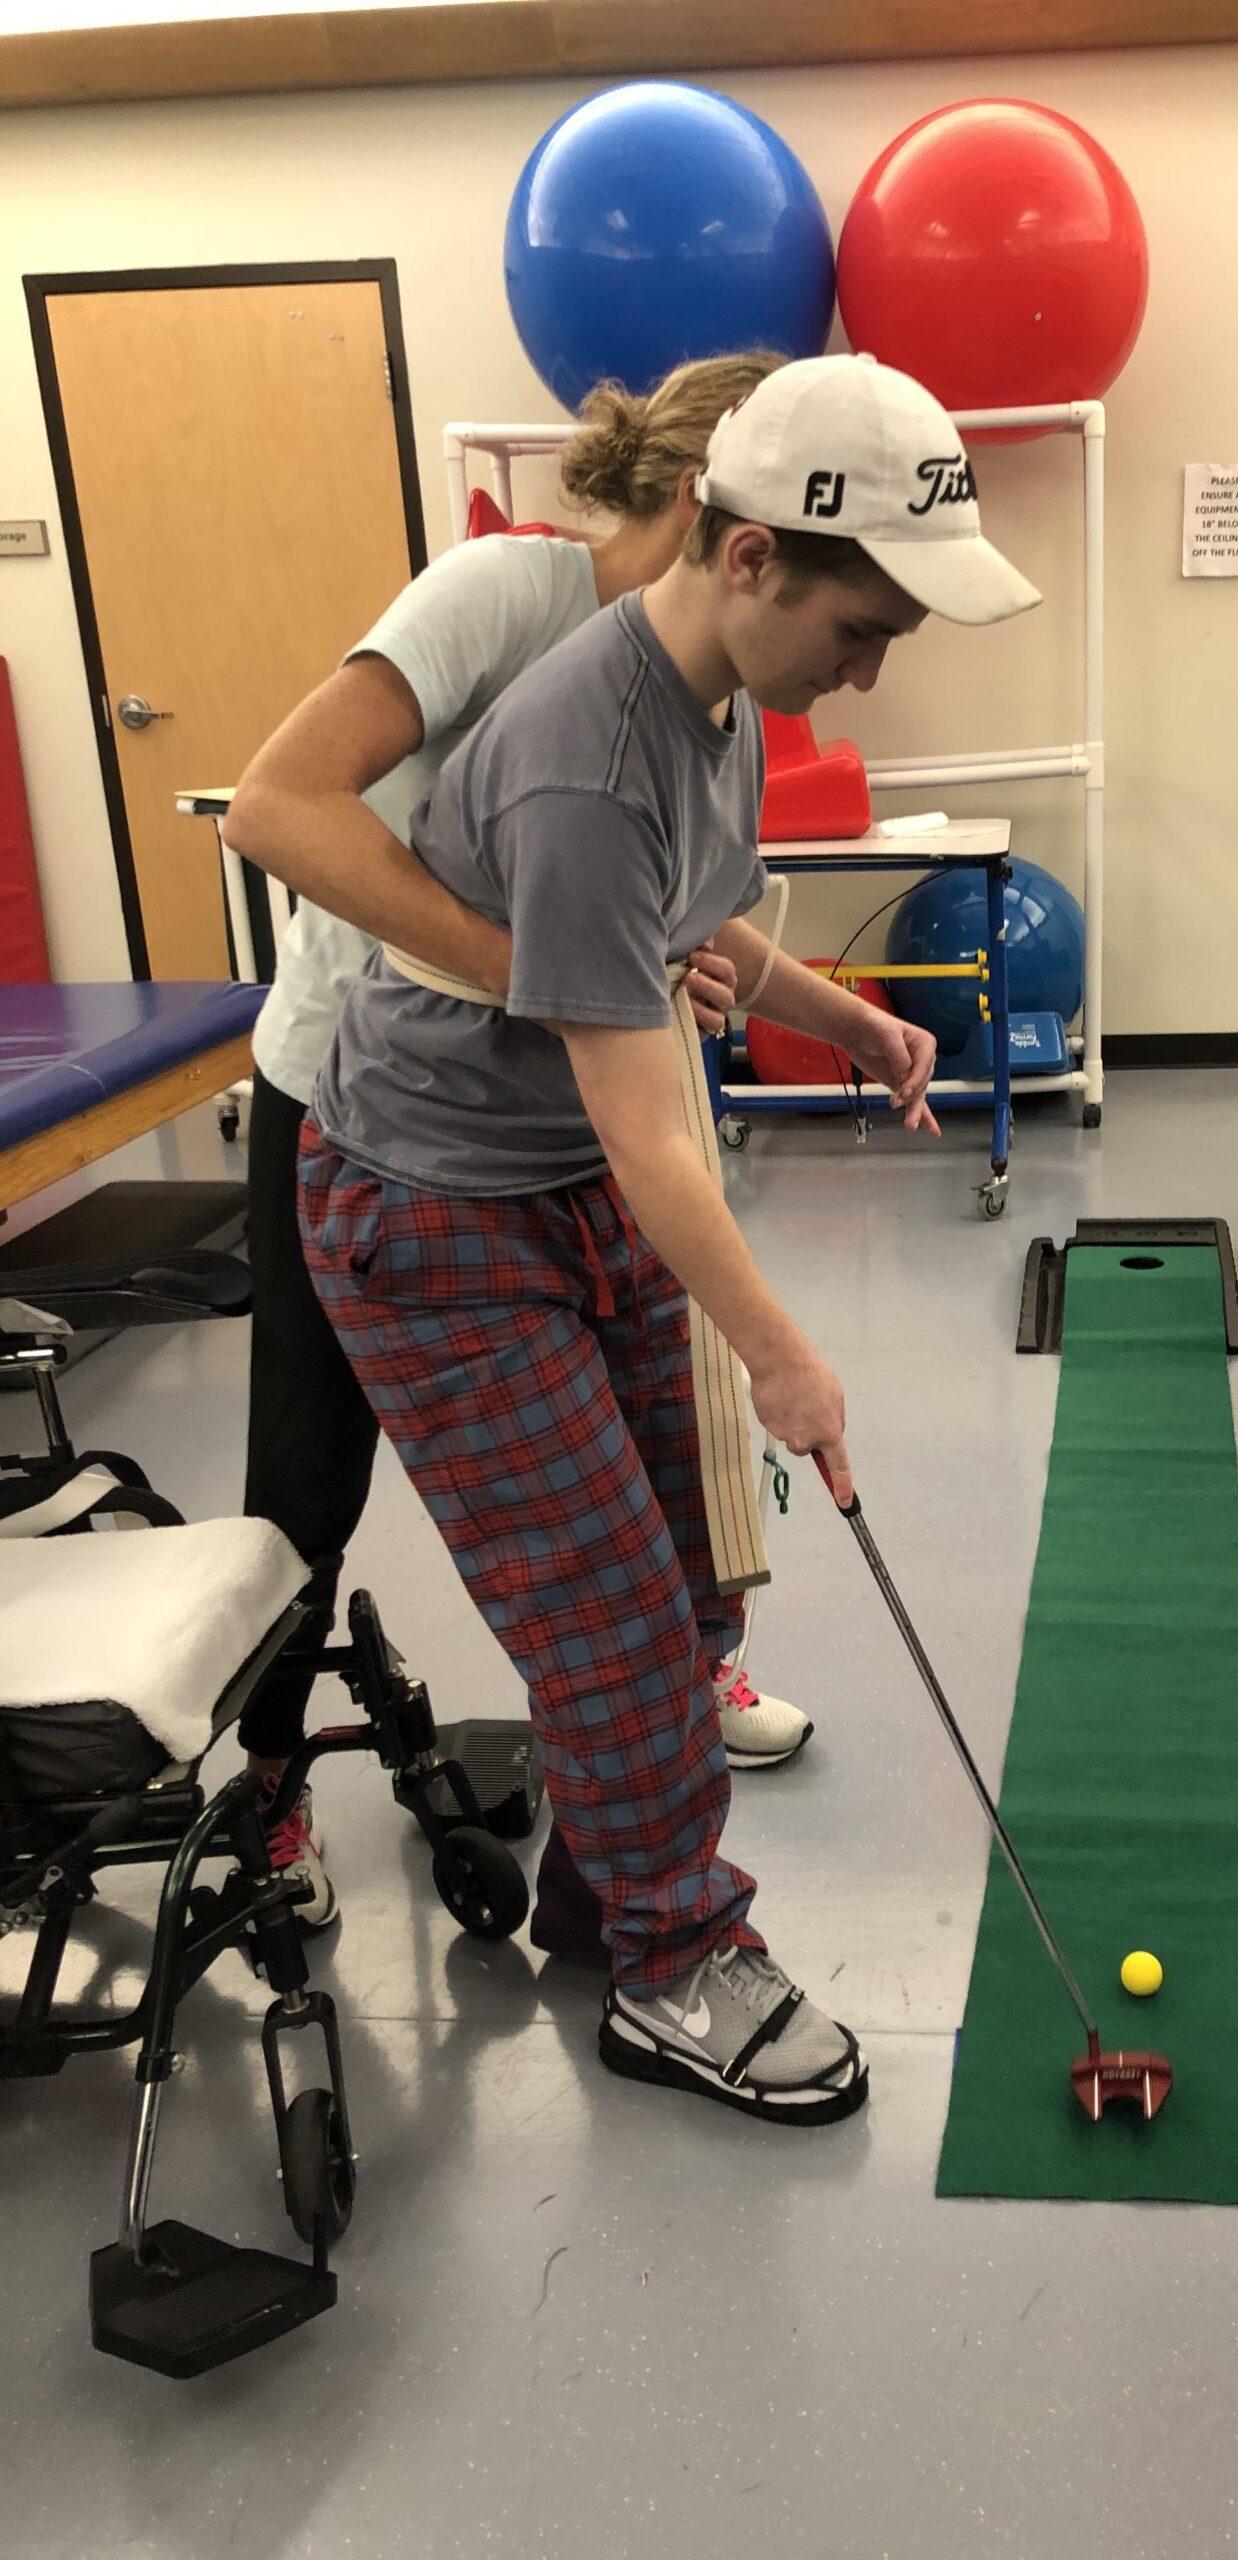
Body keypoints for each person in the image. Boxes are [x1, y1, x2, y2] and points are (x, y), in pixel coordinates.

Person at [227, 353, 1038, 2123]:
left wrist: (852, 1018)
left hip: (558, 1184)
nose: (873, 666)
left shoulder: (720, 704)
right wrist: (790, 1356)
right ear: (747, 559)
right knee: (601, 1620)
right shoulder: (585, 749)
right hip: (431, 1215)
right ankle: (677, 1963)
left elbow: (703, 937)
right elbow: (650, 1122)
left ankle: (610, 1901)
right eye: (864, 622)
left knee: (678, 1580)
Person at [232, 353, 822, 1941]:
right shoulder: (509, 597)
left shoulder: (699, 687)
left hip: (552, 1118)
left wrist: (827, 1014)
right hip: (361, 1098)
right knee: (302, 1493)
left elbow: (677, 914)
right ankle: (269, 1786)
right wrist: (539, 967)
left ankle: (647, 1728)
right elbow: (277, 808)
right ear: (716, 513)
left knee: (649, 1501)